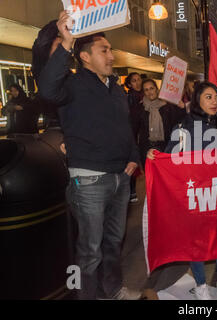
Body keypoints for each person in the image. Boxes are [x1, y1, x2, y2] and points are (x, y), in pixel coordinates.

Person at [39, 11, 141, 300]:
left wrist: (133, 156)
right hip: (90, 180)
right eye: (104, 50)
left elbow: (126, 126)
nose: (111, 55)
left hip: (121, 177)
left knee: (113, 243)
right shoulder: (71, 84)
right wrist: (68, 42)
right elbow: (46, 89)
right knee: (89, 251)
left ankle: (112, 290)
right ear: (85, 57)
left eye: (110, 50)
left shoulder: (115, 88)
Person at [147, 82, 217, 300]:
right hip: (195, 194)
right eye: (208, 97)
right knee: (196, 240)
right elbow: (169, 156)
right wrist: (155, 156)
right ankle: (201, 285)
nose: (214, 102)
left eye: (216, 97)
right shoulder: (183, 128)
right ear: (196, 101)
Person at [137, 78, 186, 167]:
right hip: (147, 149)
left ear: (156, 89)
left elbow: (180, 121)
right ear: (143, 92)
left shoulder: (168, 106)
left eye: (151, 88)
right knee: (151, 178)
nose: (149, 92)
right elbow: (135, 130)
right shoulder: (140, 108)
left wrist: (182, 108)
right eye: (146, 90)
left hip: (165, 148)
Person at [31, 19, 64, 129]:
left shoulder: (67, 73)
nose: (64, 49)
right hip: (55, 126)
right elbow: (42, 42)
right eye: (59, 46)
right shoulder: (42, 68)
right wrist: (58, 23)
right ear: (47, 49)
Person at [124, 72, 144, 203]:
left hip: (138, 135)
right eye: (134, 81)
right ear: (130, 84)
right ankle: (130, 191)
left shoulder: (142, 96)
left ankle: (131, 191)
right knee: (131, 163)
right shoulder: (130, 97)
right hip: (131, 136)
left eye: (139, 80)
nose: (137, 83)